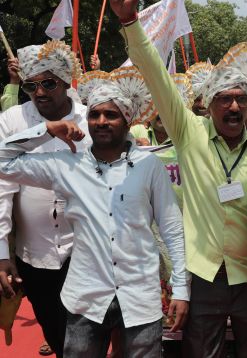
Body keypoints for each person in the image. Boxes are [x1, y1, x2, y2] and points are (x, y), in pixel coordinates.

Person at [107, 0, 247, 358]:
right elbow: (156, 76)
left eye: (241, 98)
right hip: (204, 276)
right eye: (225, 98)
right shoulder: (189, 132)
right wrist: (131, 22)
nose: (234, 106)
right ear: (208, 105)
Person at [0, 80, 189, 357]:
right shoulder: (67, 164)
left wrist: (181, 288)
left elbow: (172, 229)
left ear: (127, 120)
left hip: (140, 297)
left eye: (111, 115)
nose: (101, 122)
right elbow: (3, 162)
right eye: (94, 115)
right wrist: (47, 129)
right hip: (86, 298)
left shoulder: (149, 167)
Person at [0, 41, 89, 357]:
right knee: (54, 330)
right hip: (34, 256)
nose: (39, 92)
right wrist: (1, 253)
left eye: (48, 83)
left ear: (66, 81)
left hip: (85, 253)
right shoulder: (12, 120)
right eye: (30, 85)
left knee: (85, 339)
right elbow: (2, 188)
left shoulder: (93, 120)